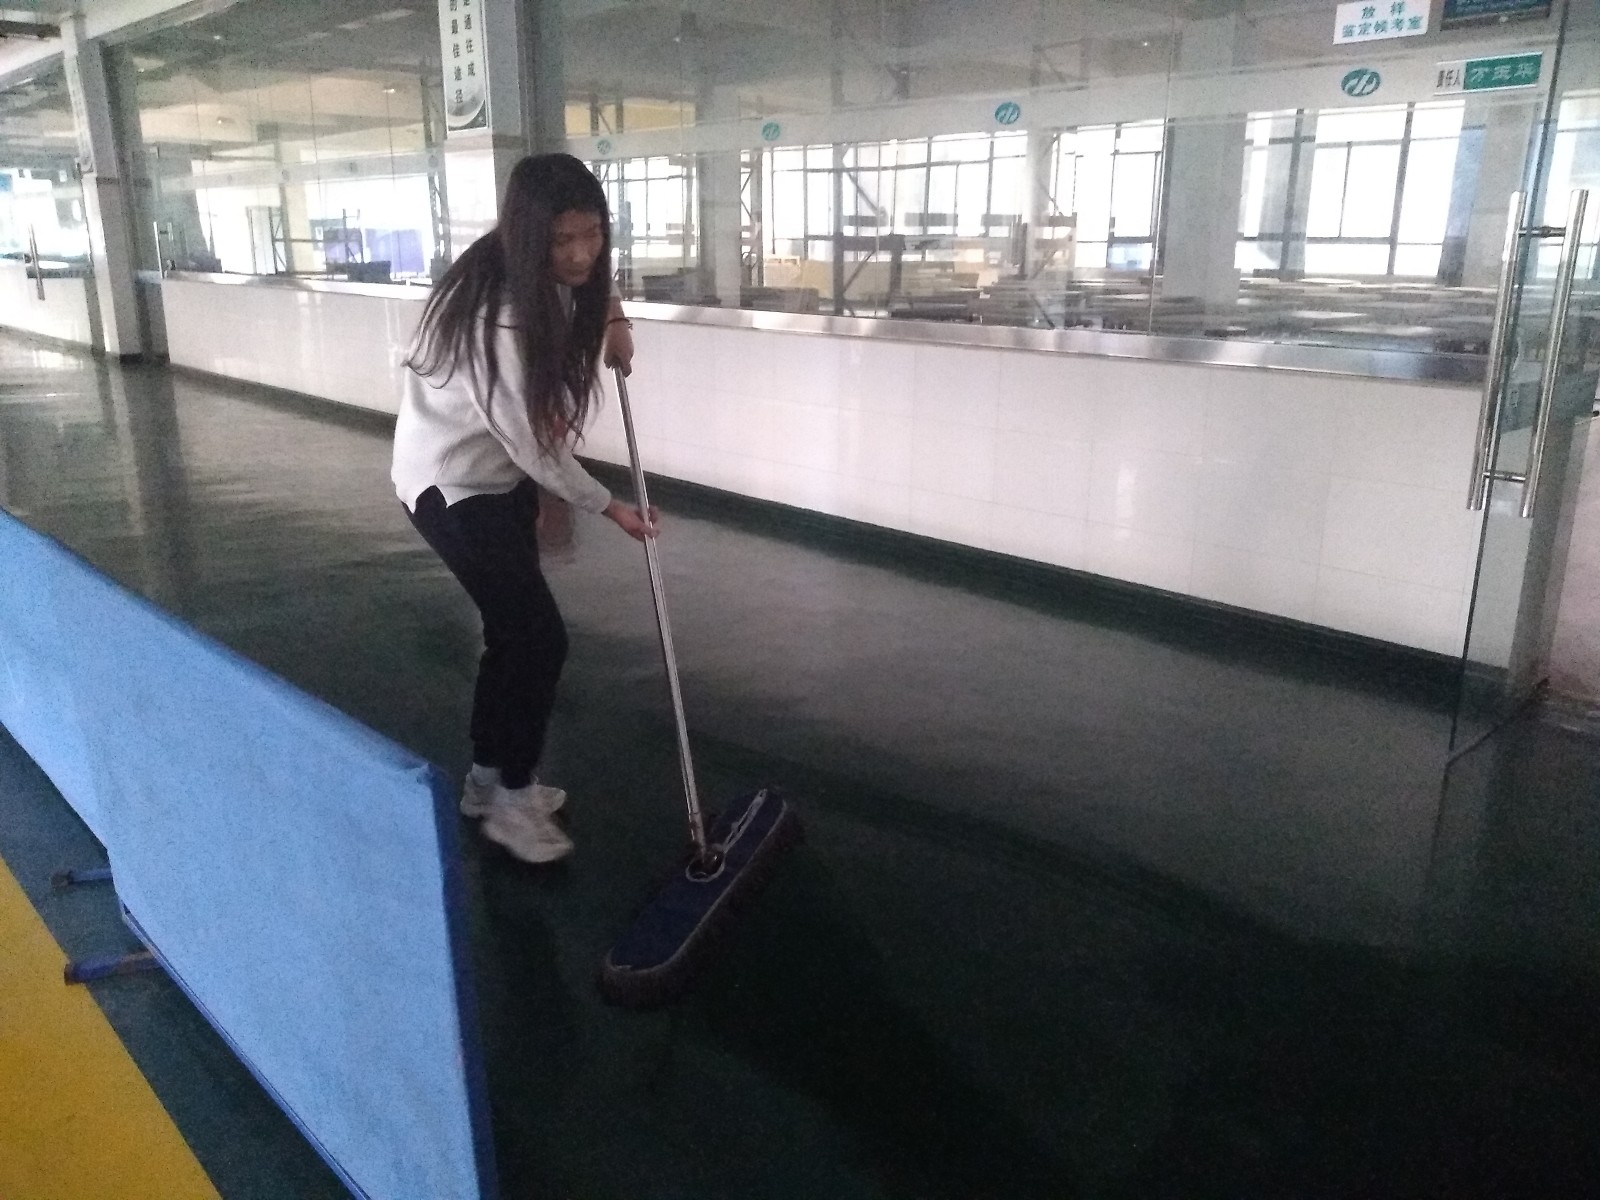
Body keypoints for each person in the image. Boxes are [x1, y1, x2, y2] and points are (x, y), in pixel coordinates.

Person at [392, 153, 656, 864]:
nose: (581, 253)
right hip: (451, 487)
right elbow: (534, 447)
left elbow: (592, 281)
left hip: (496, 475)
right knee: (538, 639)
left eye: (593, 234)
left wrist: (616, 317)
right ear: (531, 235)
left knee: (513, 634)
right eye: (563, 240)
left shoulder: (536, 267)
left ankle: (487, 781)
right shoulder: (500, 314)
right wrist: (610, 507)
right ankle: (512, 800)